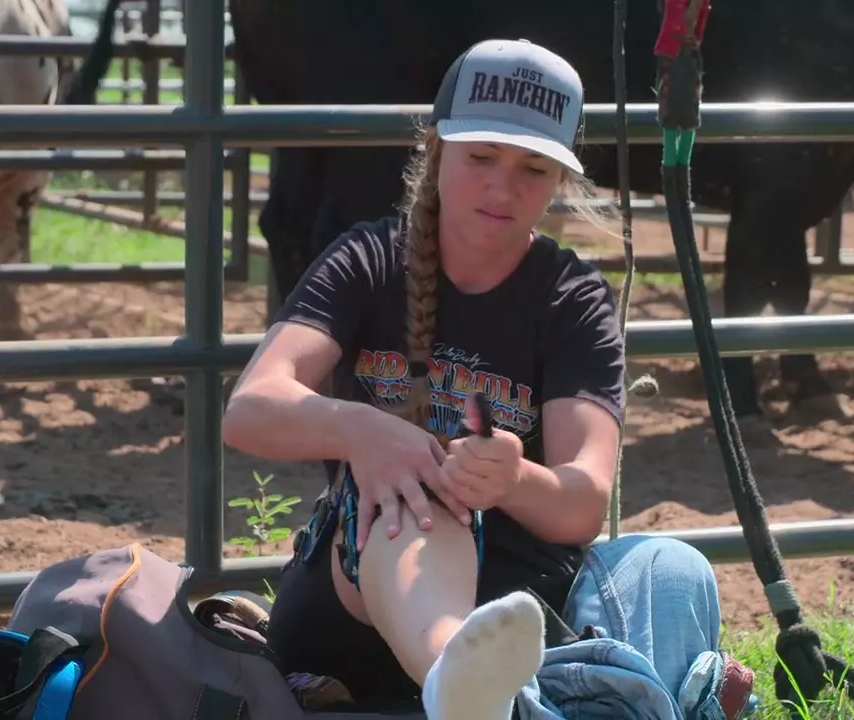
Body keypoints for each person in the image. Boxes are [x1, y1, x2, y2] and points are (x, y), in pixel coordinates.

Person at [222, 38, 628, 720]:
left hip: (520, 609)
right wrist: (363, 430)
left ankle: (493, 694)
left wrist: (512, 479)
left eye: (533, 169)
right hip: (359, 593)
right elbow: (251, 409)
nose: (502, 188)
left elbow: (584, 500)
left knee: (671, 567)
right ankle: (458, 681)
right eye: (481, 158)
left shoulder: (572, 298)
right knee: (417, 500)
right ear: (437, 149)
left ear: (559, 178)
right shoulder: (369, 259)